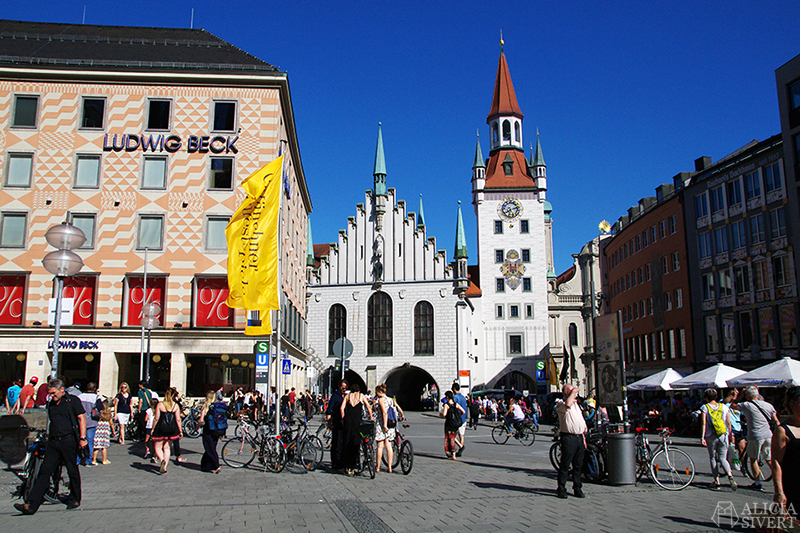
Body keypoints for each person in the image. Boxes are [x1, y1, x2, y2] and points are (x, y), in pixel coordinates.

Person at [14, 378, 87, 515]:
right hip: (53, 441)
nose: (51, 396)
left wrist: (83, 438)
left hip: (68, 440)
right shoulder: (51, 404)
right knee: (45, 471)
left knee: (72, 470)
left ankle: (75, 498)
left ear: (62, 390)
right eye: (50, 393)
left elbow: (81, 418)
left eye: (53, 393)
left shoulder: (72, 401)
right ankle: (31, 504)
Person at [733, 386, 780, 491]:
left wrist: (740, 396)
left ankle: (757, 483)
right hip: (768, 435)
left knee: (753, 459)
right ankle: (780, 479)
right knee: (769, 459)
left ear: (748, 396)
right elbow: (776, 421)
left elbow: (732, 405)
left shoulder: (747, 405)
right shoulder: (768, 405)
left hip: (755, 436)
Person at [700, 388, 737, 490]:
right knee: (722, 458)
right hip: (723, 434)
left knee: (712, 458)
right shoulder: (724, 407)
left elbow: (704, 423)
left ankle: (717, 481)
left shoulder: (705, 407)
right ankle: (730, 475)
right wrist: (730, 434)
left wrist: (702, 437)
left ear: (706, 398)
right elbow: (728, 423)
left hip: (711, 435)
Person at [772, 386, 800, 518]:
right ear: (792, 405)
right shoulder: (783, 430)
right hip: (794, 486)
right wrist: (779, 491)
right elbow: (776, 462)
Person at [556, 383, 587, 499]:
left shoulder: (576, 406)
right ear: (565, 393)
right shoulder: (560, 404)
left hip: (579, 437)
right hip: (568, 437)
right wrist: (574, 392)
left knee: (578, 465)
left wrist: (583, 438)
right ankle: (561, 488)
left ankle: (577, 487)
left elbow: (581, 421)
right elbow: (567, 404)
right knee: (565, 464)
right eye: (571, 391)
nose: (575, 393)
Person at [339, 382, 372, 476]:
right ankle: (351, 467)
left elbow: (342, 408)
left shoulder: (347, 396)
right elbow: (368, 407)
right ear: (359, 390)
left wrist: (343, 418)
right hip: (357, 422)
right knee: (355, 444)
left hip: (348, 421)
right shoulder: (361, 396)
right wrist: (371, 417)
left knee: (346, 443)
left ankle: (344, 466)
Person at [150, 388, 182, 475]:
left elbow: (156, 418)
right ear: (172, 395)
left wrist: (152, 428)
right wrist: (180, 430)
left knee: (157, 447)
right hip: (171, 429)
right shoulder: (175, 406)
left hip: (161, 428)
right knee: (167, 448)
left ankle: (162, 460)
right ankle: (165, 466)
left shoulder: (160, 405)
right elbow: (178, 419)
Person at [78, 382, 103, 467]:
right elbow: (101, 409)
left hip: (80, 422)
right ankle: (89, 460)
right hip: (91, 422)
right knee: (89, 442)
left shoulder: (80, 396)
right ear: (95, 389)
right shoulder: (96, 397)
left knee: (79, 441)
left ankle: (77, 459)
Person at [200, 390, 225, 473]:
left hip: (208, 429)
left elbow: (201, 420)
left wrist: (197, 426)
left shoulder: (206, 406)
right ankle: (205, 465)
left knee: (210, 448)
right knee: (211, 447)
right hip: (217, 429)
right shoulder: (217, 406)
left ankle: (216, 465)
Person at [373, 384, 396, 473]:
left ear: (380, 392)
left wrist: (384, 425)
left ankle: (378, 467)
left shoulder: (381, 400)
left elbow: (384, 412)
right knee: (389, 446)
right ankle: (390, 467)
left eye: (376, 392)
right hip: (391, 425)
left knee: (380, 446)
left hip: (382, 425)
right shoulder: (390, 400)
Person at [326, 380, 347, 470]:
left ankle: (341, 461)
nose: (344, 389)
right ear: (339, 387)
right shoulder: (335, 397)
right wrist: (329, 422)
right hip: (337, 422)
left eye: (345, 388)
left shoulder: (345, 396)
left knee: (342, 443)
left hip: (344, 423)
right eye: (342, 387)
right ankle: (335, 462)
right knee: (336, 443)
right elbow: (329, 410)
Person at [441, 390, 465, 459]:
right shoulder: (456, 404)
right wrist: (458, 416)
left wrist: (441, 415)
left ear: (448, 397)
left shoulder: (447, 405)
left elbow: (444, 414)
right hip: (456, 424)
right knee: (453, 438)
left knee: (449, 439)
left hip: (449, 424)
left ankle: (452, 454)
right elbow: (463, 411)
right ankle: (459, 447)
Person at [452, 383, 467, 457]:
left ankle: (460, 446)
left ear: (454, 389)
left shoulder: (455, 397)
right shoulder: (463, 398)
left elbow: (453, 407)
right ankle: (460, 451)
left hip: (457, 419)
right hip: (463, 419)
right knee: (461, 435)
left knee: (451, 434)